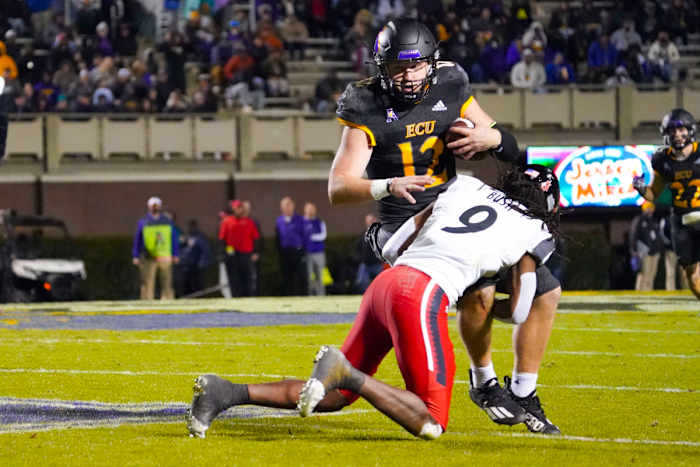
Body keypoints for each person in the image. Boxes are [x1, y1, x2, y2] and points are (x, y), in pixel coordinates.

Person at [187, 166, 559, 440]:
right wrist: (485, 307)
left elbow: (397, 243)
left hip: (388, 283)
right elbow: (524, 308)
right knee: (431, 421)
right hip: (422, 293)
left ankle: (226, 392)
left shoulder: (466, 185)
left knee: (333, 398)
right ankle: (346, 371)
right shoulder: (534, 227)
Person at [327, 17, 562, 434]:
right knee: (483, 285)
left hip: (453, 205)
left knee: (546, 290)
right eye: (399, 67)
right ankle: (485, 381)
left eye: (417, 66)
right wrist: (386, 184)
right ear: (381, 68)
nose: (409, 75)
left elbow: (505, 145)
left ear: (433, 63)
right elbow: (339, 187)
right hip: (403, 222)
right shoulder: (363, 104)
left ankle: (524, 390)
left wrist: (492, 140)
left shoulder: (450, 83)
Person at [633, 108, 700, 300]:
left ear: (690, 130)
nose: (677, 135)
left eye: (681, 130)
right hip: (681, 220)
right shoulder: (663, 160)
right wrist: (641, 188)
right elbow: (653, 194)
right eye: (672, 131)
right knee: (691, 275)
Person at [132, 196, 180, 300]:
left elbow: (173, 238)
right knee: (148, 282)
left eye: (156, 205)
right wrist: (135, 255)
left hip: (165, 255)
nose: (154, 208)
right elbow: (138, 239)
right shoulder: (144, 221)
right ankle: (147, 302)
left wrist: (175, 254)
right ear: (148, 206)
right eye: (152, 205)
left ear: (160, 206)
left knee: (167, 282)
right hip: (148, 255)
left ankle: (168, 301)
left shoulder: (167, 221)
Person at [218, 200, 260, 297]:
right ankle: (235, 298)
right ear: (233, 209)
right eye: (236, 208)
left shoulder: (249, 222)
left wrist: (255, 252)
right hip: (232, 256)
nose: (238, 210)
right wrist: (228, 253)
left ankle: (248, 298)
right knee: (234, 280)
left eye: (240, 207)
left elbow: (256, 238)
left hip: (246, 255)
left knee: (247, 278)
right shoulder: (227, 222)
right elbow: (222, 240)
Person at [275, 196, 306, 296]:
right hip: (285, 253)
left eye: (289, 204)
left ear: (293, 206)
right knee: (287, 276)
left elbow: (304, 235)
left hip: (298, 252)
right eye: (285, 205)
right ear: (281, 207)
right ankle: (288, 296)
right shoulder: (279, 221)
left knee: (300, 276)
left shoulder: (300, 219)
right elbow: (278, 238)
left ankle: (302, 296)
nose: (287, 207)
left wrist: (303, 251)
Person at [629, 201, 662, 291]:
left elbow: (657, 236)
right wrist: (634, 250)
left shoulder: (654, 220)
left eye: (651, 207)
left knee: (652, 274)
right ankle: (644, 293)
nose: (650, 209)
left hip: (655, 251)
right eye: (648, 207)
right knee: (645, 274)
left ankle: (649, 291)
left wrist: (658, 249)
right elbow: (634, 235)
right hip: (645, 252)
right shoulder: (639, 220)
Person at [180, 219, 214, 296]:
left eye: (192, 226)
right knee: (186, 284)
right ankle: (187, 298)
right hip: (187, 266)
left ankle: (200, 297)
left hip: (196, 266)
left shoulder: (200, 238)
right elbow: (183, 250)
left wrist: (202, 263)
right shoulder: (186, 237)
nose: (191, 228)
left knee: (197, 284)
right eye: (190, 226)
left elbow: (206, 251)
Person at [354, 213, 385, 293]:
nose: (369, 222)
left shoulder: (379, 233)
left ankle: (378, 295)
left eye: (371, 220)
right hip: (365, 263)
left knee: (382, 282)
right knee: (361, 282)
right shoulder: (363, 234)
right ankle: (367, 295)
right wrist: (360, 258)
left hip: (377, 263)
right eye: (368, 221)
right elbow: (358, 247)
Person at [303, 202, 327, 296]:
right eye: (308, 209)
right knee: (309, 277)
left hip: (319, 253)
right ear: (305, 210)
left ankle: (321, 296)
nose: (310, 211)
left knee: (320, 276)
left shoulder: (320, 222)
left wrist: (312, 237)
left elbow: (323, 235)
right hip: (307, 253)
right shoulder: (302, 222)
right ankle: (311, 296)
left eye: (312, 208)